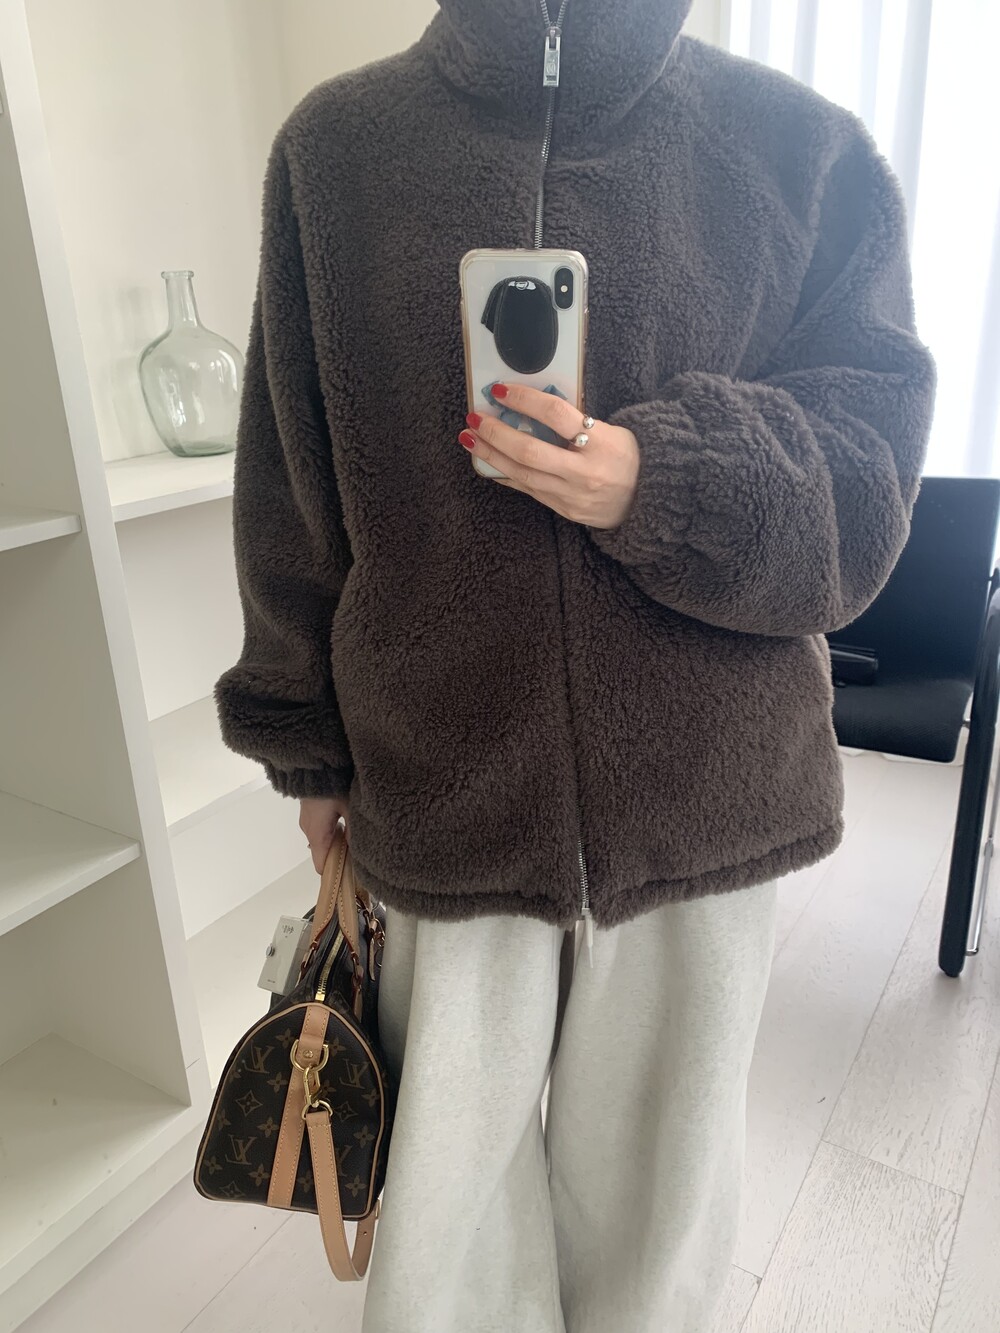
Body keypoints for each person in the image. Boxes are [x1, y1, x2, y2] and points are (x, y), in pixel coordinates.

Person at [213, 1, 936, 1329]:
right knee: (444, 1221)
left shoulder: (802, 153)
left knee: (661, 1218)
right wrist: (307, 747)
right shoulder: (338, 154)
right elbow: (290, 485)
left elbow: (870, 482)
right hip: (441, 776)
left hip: (704, 789)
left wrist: (662, 478)